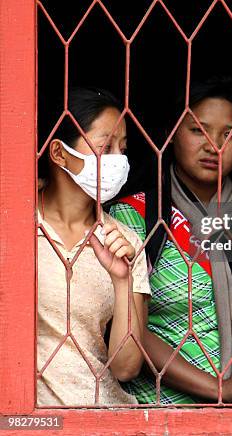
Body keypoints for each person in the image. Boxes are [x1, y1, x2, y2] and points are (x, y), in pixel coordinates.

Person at [109, 77, 232, 404]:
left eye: (230, 134)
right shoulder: (134, 216)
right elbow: (124, 327)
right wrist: (218, 389)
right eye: (198, 130)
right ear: (172, 132)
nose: (215, 145)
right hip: (160, 413)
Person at [37, 87, 150, 406]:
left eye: (123, 149)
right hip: (27, 418)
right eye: (105, 147)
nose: (118, 161)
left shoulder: (124, 241)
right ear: (59, 154)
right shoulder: (17, 227)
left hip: (100, 412)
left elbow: (127, 367)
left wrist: (122, 280)